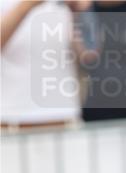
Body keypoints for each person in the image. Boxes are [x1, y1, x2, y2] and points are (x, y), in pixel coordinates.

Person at [0, 0, 94, 128]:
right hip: (10, 121)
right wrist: (27, 5)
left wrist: (79, 14)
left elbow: (88, 57)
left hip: (64, 120)